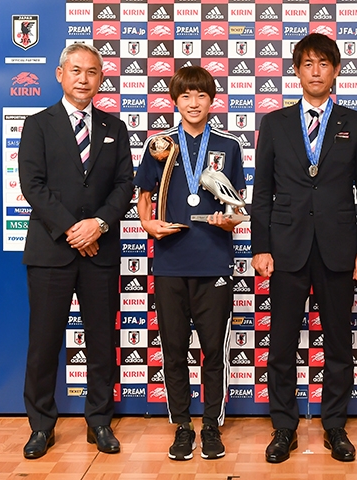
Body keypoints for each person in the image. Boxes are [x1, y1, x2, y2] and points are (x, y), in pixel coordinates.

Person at [251, 33, 357, 463]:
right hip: (285, 249)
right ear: (297, 71)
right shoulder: (276, 123)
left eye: (324, 63)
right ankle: (283, 427)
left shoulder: (355, 123)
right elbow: (262, 191)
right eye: (308, 64)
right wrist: (260, 246)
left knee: (339, 344)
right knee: (282, 344)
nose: (316, 71)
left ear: (336, 70)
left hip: (340, 249)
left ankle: (335, 426)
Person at [18, 43, 134, 459]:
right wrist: (72, 228)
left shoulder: (114, 128)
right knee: (44, 342)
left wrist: (98, 224)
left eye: (92, 72)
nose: (84, 78)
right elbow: (32, 185)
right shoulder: (37, 124)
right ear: (59, 74)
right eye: (76, 70)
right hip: (52, 251)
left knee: (102, 341)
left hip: (100, 251)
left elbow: (125, 185)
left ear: (101, 78)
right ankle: (40, 427)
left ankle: (99, 421)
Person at [134, 66, 245, 461]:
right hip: (169, 262)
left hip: (214, 261)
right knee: (174, 348)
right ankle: (182, 425)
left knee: (214, 350)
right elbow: (143, 193)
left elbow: (238, 207)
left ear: (212, 100)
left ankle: (212, 425)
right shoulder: (159, 144)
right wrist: (148, 224)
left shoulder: (229, 145)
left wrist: (228, 219)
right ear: (174, 101)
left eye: (201, 96)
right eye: (186, 97)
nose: (194, 103)